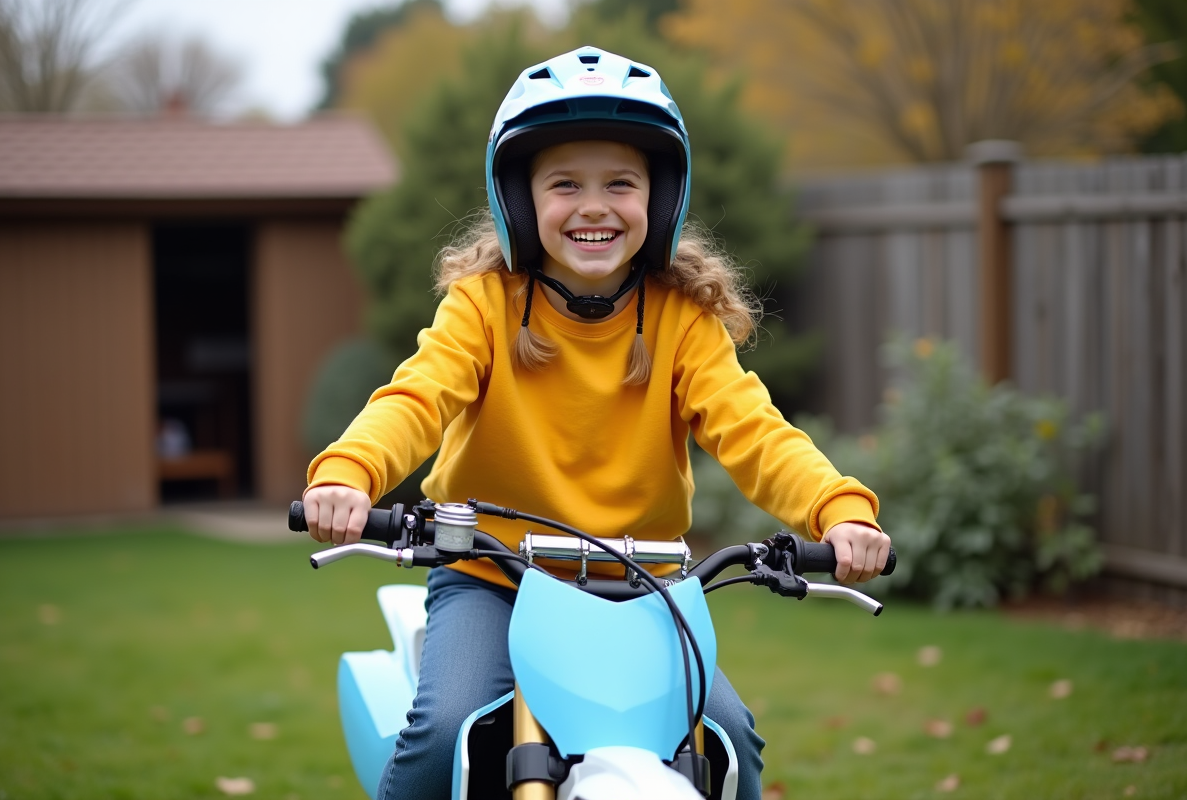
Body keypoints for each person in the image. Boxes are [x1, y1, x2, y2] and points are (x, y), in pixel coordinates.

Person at [303, 46, 891, 800]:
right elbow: (416, 399)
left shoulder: (685, 321)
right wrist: (350, 473)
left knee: (730, 739)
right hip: (494, 577)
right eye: (564, 184)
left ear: (661, 196)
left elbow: (756, 432)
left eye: (620, 182)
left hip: (644, 590)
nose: (593, 206)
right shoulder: (485, 307)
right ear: (520, 199)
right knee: (445, 728)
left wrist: (837, 510)